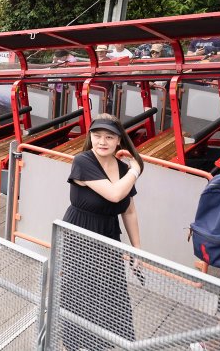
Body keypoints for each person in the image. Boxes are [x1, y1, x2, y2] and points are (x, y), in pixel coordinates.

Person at [60, 113, 143, 351]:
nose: (102, 141)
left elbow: (128, 210)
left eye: (109, 137)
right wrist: (136, 170)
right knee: (80, 290)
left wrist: (137, 249)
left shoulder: (123, 169)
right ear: (90, 137)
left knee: (110, 291)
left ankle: (101, 343)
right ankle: (75, 345)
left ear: (119, 141)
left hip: (108, 233)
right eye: (97, 136)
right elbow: (115, 194)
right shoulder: (83, 161)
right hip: (81, 233)